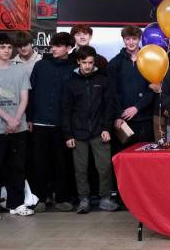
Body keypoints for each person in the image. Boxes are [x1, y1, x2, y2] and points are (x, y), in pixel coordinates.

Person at [0, 33, 33, 221]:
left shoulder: (20, 70)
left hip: (19, 127)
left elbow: (24, 97)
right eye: (2, 47)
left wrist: (16, 119)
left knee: (17, 167)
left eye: (9, 47)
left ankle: (16, 203)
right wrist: (7, 119)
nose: (6, 50)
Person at [61, 45, 119, 214]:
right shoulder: (70, 82)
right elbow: (66, 110)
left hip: (100, 131)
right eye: (84, 62)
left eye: (91, 62)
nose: (87, 65)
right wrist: (68, 134)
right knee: (80, 169)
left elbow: (109, 106)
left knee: (105, 167)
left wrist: (107, 128)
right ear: (78, 61)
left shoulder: (102, 80)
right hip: (77, 133)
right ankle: (84, 200)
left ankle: (105, 199)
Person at [26, 32, 77, 213]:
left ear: (69, 48)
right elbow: (30, 92)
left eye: (59, 45)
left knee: (62, 163)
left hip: (61, 124)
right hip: (39, 122)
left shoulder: (73, 68)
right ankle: (39, 198)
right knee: (39, 163)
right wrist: (29, 117)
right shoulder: (41, 66)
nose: (54, 48)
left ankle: (62, 198)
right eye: (53, 45)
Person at [108, 25, 156, 149]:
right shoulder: (115, 63)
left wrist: (137, 108)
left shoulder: (149, 61)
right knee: (123, 158)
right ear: (123, 40)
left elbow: (152, 90)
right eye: (127, 39)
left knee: (144, 159)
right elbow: (112, 93)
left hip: (145, 119)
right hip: (124, 121)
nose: (131, 42)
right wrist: (118, 116)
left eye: (134, 39)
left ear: (139, 39)